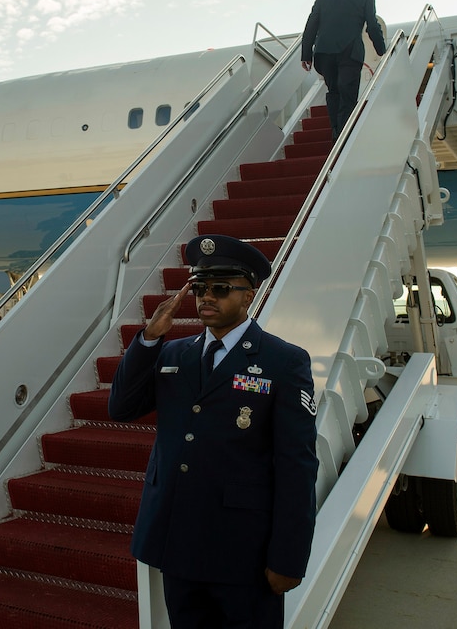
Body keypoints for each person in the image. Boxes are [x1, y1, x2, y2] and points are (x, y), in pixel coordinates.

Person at [109, 234, 319, 628]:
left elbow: (297, 465)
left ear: (248, 295)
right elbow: (121, 408)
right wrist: (150, 339)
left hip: (243, 551)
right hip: (177, 543)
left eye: (220, 288)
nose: (207, 297)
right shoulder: (174, 353)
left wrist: (287, 557)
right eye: (200, 288)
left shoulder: (283, 361)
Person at [300, 0, 387, 143]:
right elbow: (372, 25)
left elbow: (310, 26)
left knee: (334, 91)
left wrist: (306, 54)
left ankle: (335, 130)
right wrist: (382, 51)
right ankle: (344, 135)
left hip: (324, 53)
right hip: (350, 52)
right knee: (348, 92)